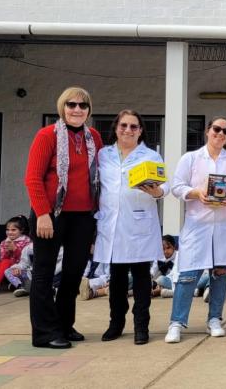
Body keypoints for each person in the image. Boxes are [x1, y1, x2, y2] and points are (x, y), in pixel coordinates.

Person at [24, 86, 103, 349]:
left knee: (73, 273)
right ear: (62, 107)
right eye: (71, 105)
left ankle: (64, 325)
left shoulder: (94, 138)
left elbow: (100, 179)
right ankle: (45, 332)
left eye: (83, 105)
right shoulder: (47, 135)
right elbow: (33, 178)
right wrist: (43, 214)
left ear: (89, 110)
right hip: (51, 215)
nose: (77, 110)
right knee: (44, 274)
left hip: (83, 216)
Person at [165, 117, 226, 343]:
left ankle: (214, 319)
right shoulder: (190, 158)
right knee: (187, 275)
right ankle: (177, 322)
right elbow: (177, 186)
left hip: (225, 224)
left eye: (225, 131)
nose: (220, 134)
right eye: (216, 129)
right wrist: (197, 193)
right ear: (207, 131)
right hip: (198, 224)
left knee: (221, 273)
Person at [94, 110, 167, 345]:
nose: (128, 130)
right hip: (111, 224)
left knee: (141, 278)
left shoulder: (150, 156)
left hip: (139, 224)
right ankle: (116, 323)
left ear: (140, 130)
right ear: (116, 128)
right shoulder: (103, 155)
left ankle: (141, 326)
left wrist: (158, 192)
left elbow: (163, 187)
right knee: (115, 278)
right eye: (123, 125)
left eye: (133, 126)